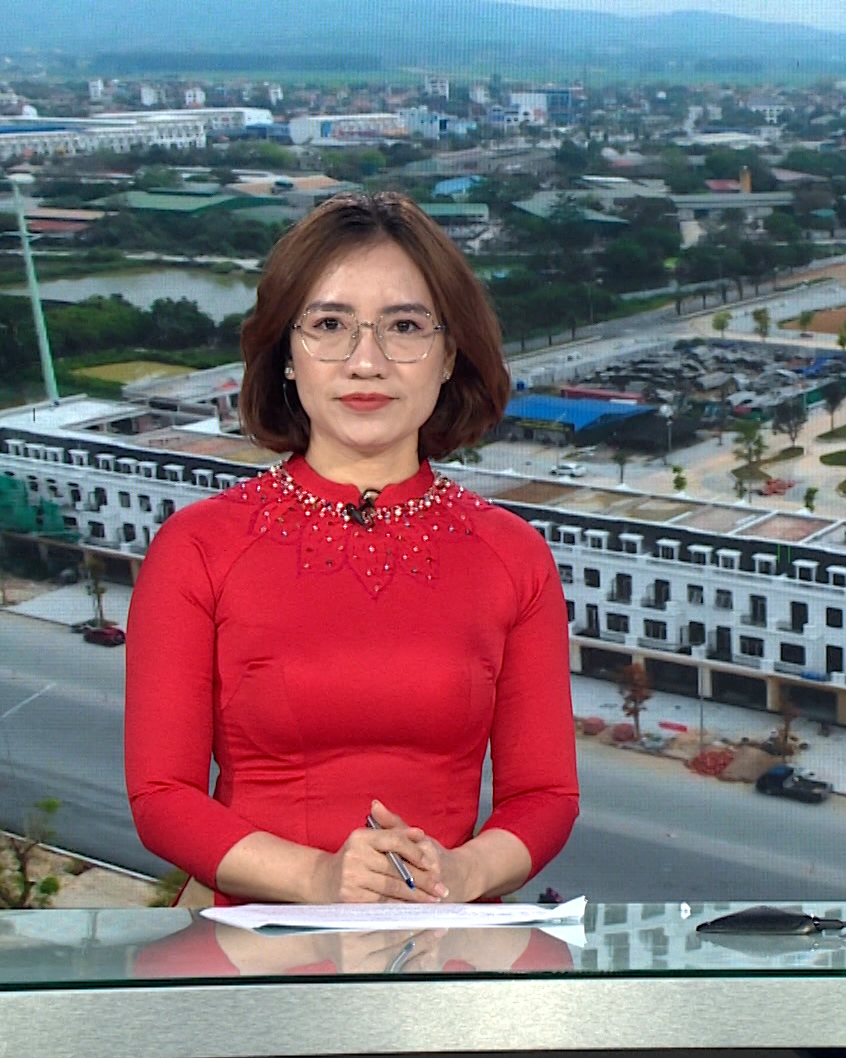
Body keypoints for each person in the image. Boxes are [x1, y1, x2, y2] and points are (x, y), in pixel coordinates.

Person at [125, 191, 579, 907]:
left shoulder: (513, 556)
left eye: (405, 327)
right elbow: (161, 795)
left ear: (449, 355)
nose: (366, 363)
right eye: (330, 325)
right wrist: (318, 877)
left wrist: (460, 873)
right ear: (286, 355)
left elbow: (546, 794)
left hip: (444, 936)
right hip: (256, 945)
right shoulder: (199, 547)